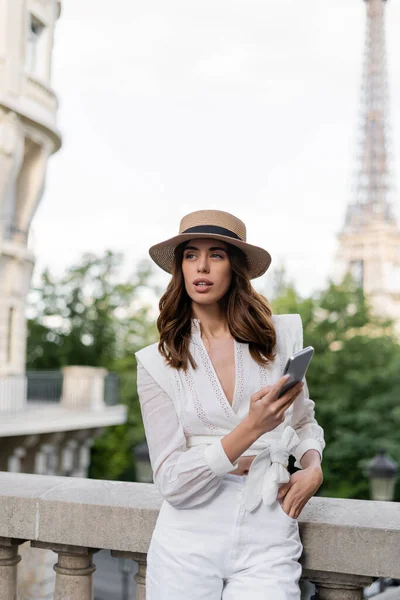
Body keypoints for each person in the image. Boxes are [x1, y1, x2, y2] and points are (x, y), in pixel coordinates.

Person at [135, 209, 325, 600]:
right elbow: (171, 481)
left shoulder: (280, 337)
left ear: (234, 267)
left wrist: (312, 466)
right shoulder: (157, 362)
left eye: (216, 254)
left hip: (270, 526)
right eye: (191, 255)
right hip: (188, 536)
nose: (201, 266)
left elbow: (302, 420)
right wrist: (250, 429)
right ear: (180, 268)